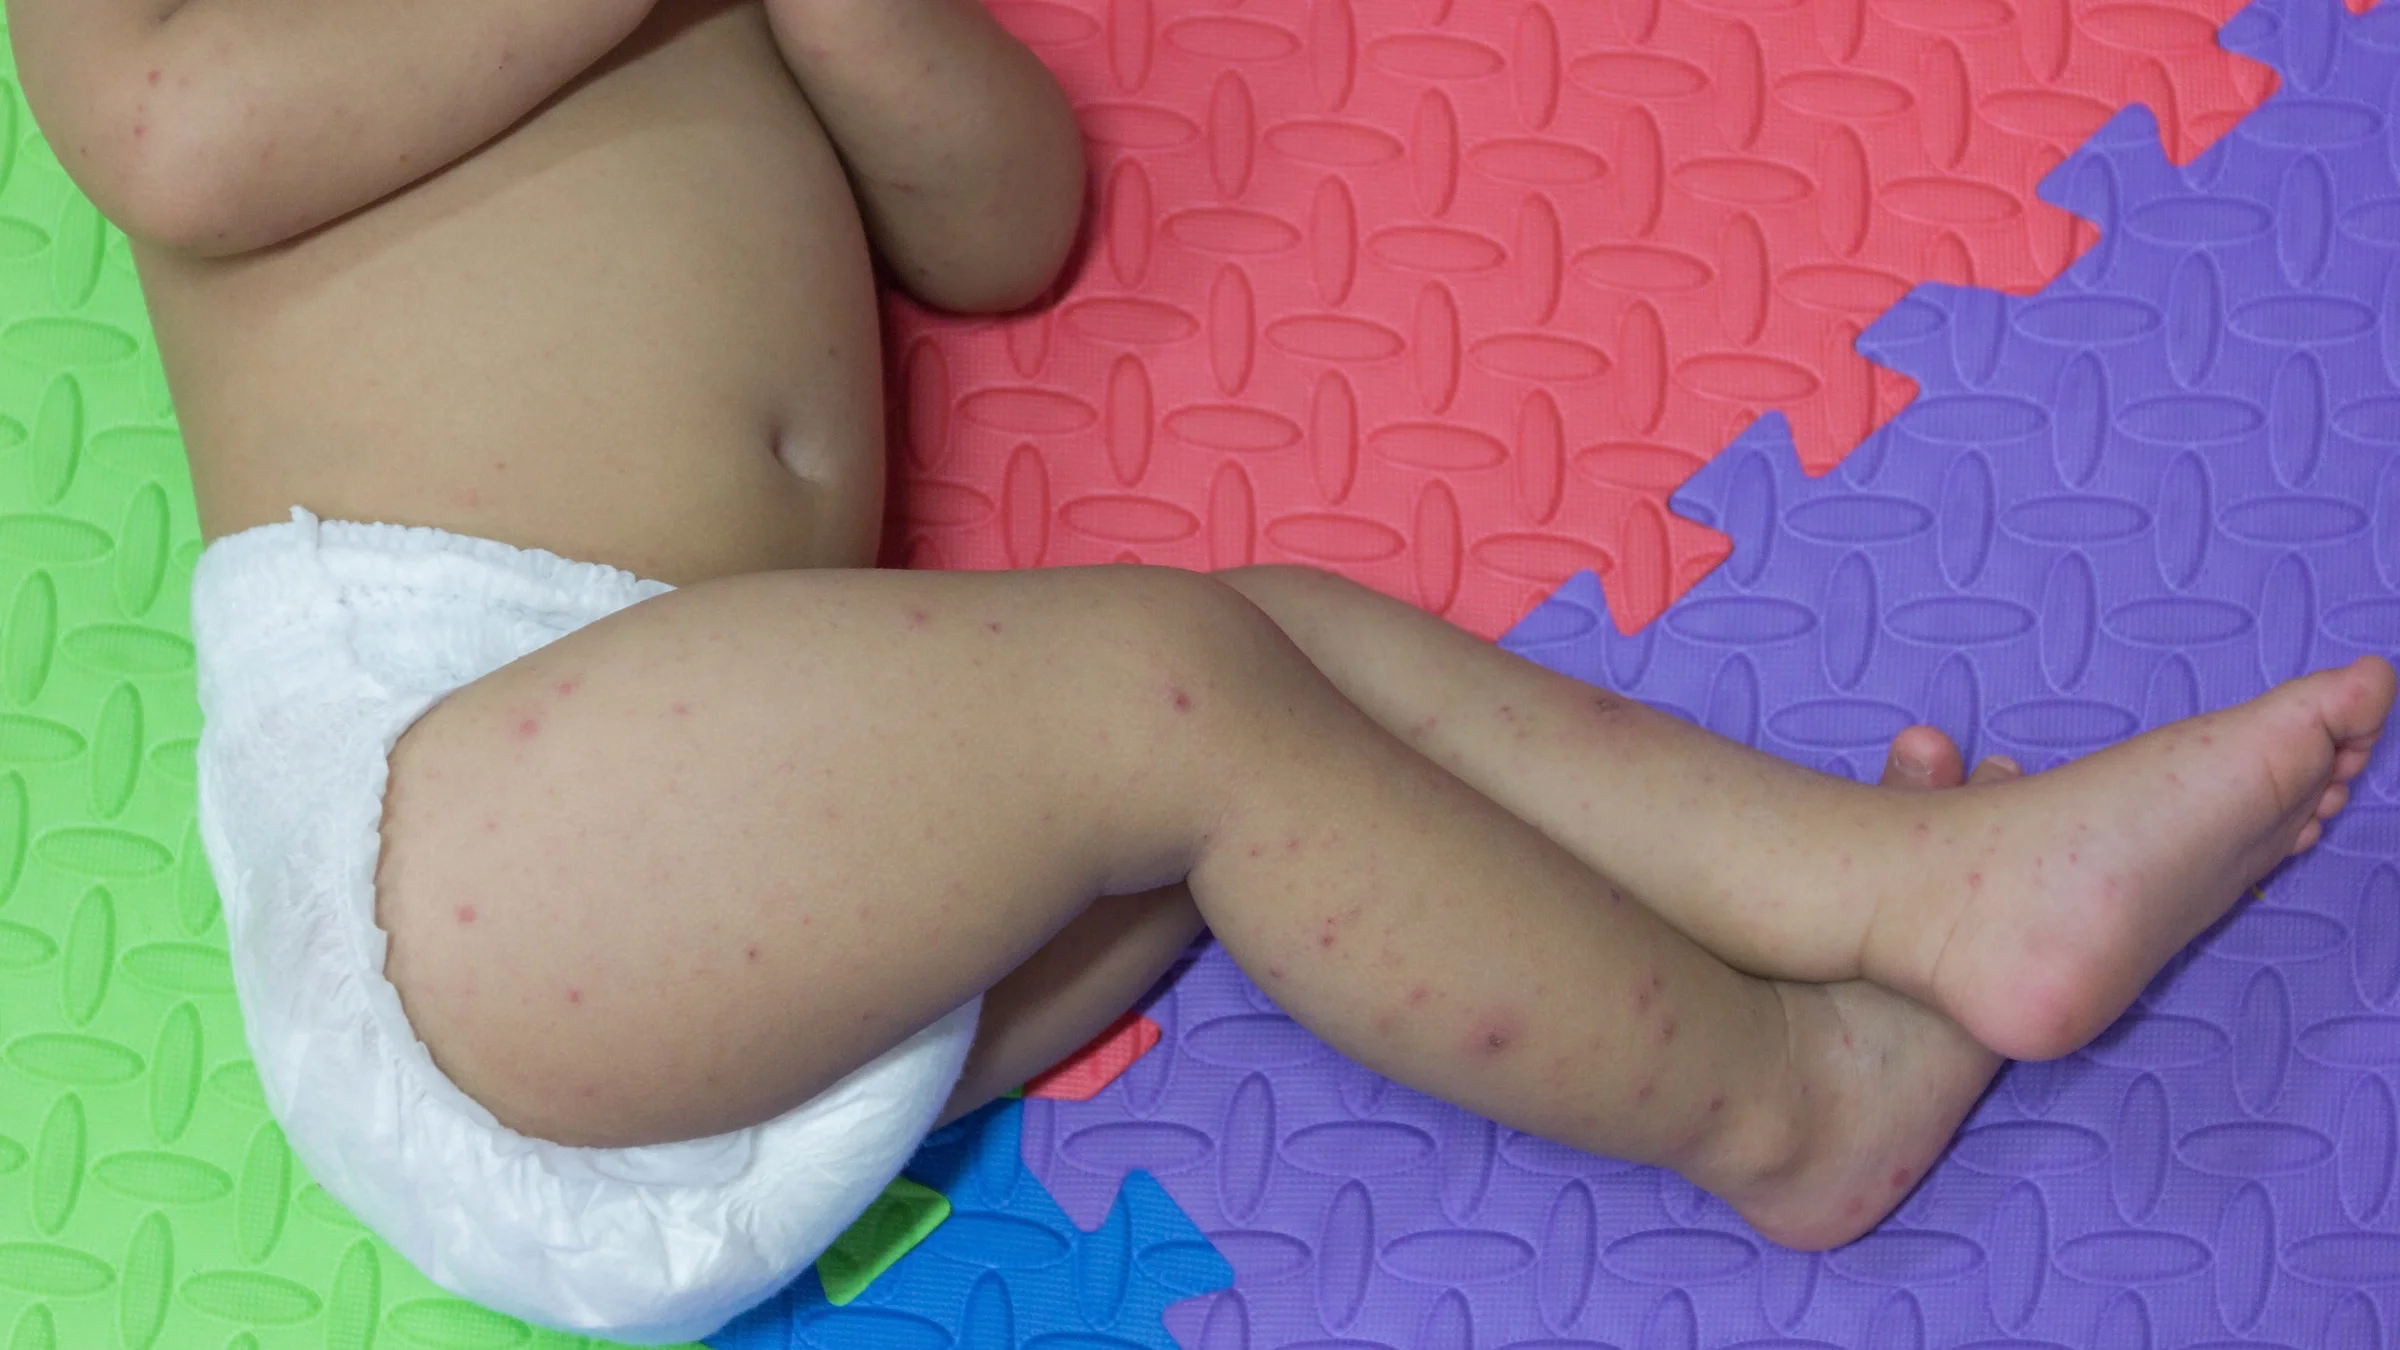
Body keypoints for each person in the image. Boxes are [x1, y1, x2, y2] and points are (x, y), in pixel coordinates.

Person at [13, 0, 2393, 1340]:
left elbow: (1005, 223)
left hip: (792, 888)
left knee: (1279, 670)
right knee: (1163, 685)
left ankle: (1902, 887)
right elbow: (175, 135)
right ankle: (1784, 1102)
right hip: (463, 857)